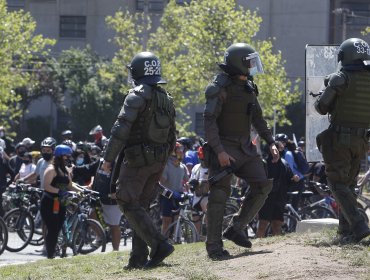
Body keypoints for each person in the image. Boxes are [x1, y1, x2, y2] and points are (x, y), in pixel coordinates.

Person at [101, 51, 177, 268]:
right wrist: (162, 161)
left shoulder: (136, 95)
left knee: (125, 200)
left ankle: (160, 245)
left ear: (137, 72)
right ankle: (138, 259)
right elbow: (173, 134)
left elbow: (120, 130)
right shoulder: (166, 98)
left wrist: (108, 159)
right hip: (158, 159)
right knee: (140, 206)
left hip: (137, 160)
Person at [203, 43, 279, 259]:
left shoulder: (249, 86)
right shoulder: (219, 88)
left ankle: (235, 228)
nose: (253, 66)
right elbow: (209, 122)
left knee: (263, 185)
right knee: (218, 195)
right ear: (238, 63)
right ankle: (214, 247)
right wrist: (218, 151)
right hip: (224, 147)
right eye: (250, 62)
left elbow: (258, 118)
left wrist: (271, 141)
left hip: (246, 147)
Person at [314, 37, 370, 243]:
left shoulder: (341, 78)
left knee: (337, 183)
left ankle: (358, 224)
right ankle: (346, 232)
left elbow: (321, 108)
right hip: (362, 141)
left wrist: (324, 90)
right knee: (349, 185)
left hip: (340, 140)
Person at [40, 144, 82, 258]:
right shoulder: (51, 169)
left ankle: (53, 252)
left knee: (57, 228)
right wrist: (59, 191)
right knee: (52, 229)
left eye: (69, 156)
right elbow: (46, 186)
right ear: (59, 156)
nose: (68, 158)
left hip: (61, 203)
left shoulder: (65, 170)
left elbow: (69, 185)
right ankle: (50, 255)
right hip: (49, 203)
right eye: (66, 156)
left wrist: (81, 191)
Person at [256, 141, 299, 237]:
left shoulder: (284, 163)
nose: (280, 150)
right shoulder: (264, 163)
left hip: (280, 198)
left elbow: (290, 179)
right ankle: (257, 246)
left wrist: (294, 179)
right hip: (266, 198)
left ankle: (276, 248)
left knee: (277, 225)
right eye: (278, 148)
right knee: (262, 225)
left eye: (280, 149)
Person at [159, 142, 189, 235]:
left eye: (181, 150)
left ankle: (177, 239)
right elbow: (161, 181)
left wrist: (188, 188)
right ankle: (163, 239)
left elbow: (187, 181)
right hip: (167, 195)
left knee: (177, 219)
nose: (181, 152)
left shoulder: (182, 166)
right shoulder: (166, 165)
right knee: (166, 220)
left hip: (179, 195)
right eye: (178, 150)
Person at [188, 146, 210, 236]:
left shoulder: (212, 168)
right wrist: (192, 184)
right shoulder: (196, 167)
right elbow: (190, 182)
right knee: (195, 216)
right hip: (196, 196)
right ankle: (197, 237)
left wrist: (203, 182)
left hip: (207, 196)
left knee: (208, 216)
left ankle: (210, 235)